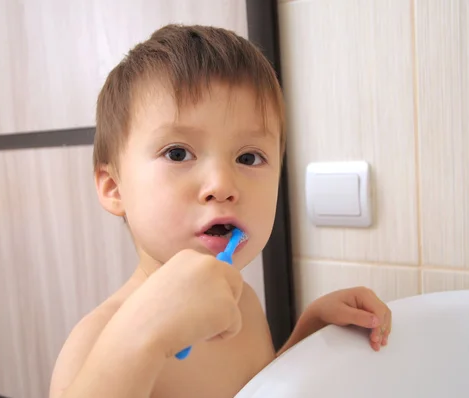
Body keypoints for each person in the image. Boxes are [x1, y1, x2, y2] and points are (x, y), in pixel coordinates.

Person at [49, 24, 392, 398]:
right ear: (114, 187)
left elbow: (258, 390)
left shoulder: (241, 300)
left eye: (248, 157)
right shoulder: (98, 342)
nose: (223, 186)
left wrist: (310, 331)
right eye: (178, 153)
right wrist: (141, 337)